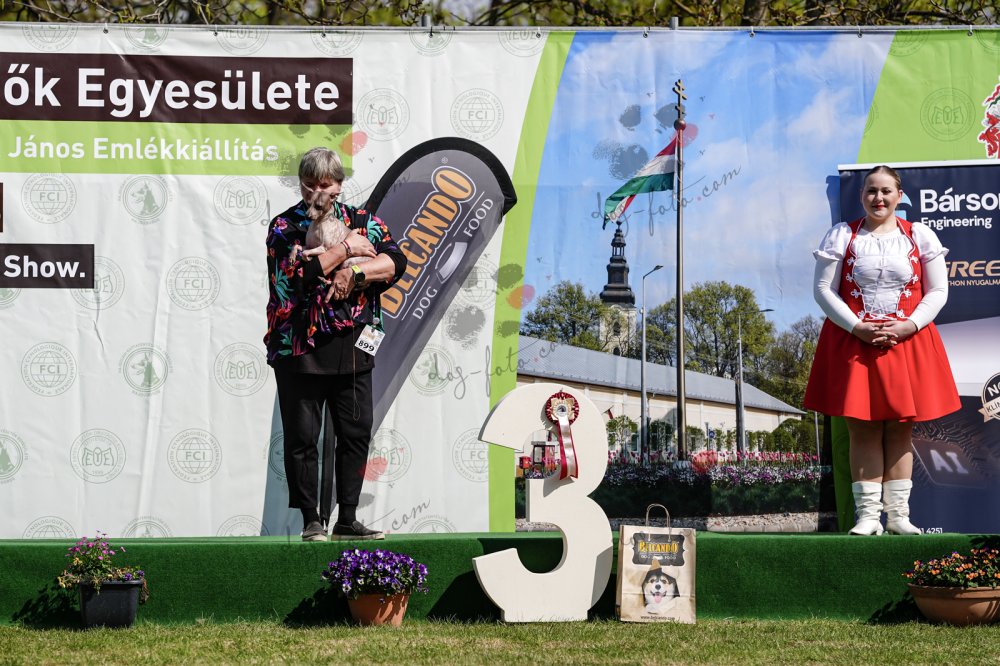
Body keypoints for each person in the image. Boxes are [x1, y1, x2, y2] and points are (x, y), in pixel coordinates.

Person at [804, 165, 960, 536]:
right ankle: (868, 517)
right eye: (871, 190)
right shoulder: (842, 235)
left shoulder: (920, 235)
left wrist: (910, 325)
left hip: (907, 342)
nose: (879, 198)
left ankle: (899, 517)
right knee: (862, 430)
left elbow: (938, 290)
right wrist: (857, 326)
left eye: (886, 191)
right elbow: (824, 290)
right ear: (862, 196)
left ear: (899, 195)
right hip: (854, 343)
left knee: (900, 430)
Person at [264, 147, 406, 542]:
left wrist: (355, 274)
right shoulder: (285, 226)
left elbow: (396, 263)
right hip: (299, 347)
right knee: (302, 437)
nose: (316, 192)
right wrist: (345, 249)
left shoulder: (365, 222)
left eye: (324, 184)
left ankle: (348, 518)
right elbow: (296, 279)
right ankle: (312, 520)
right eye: (308, 184)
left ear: (339, 186)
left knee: (356, 432)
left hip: (355, 345)